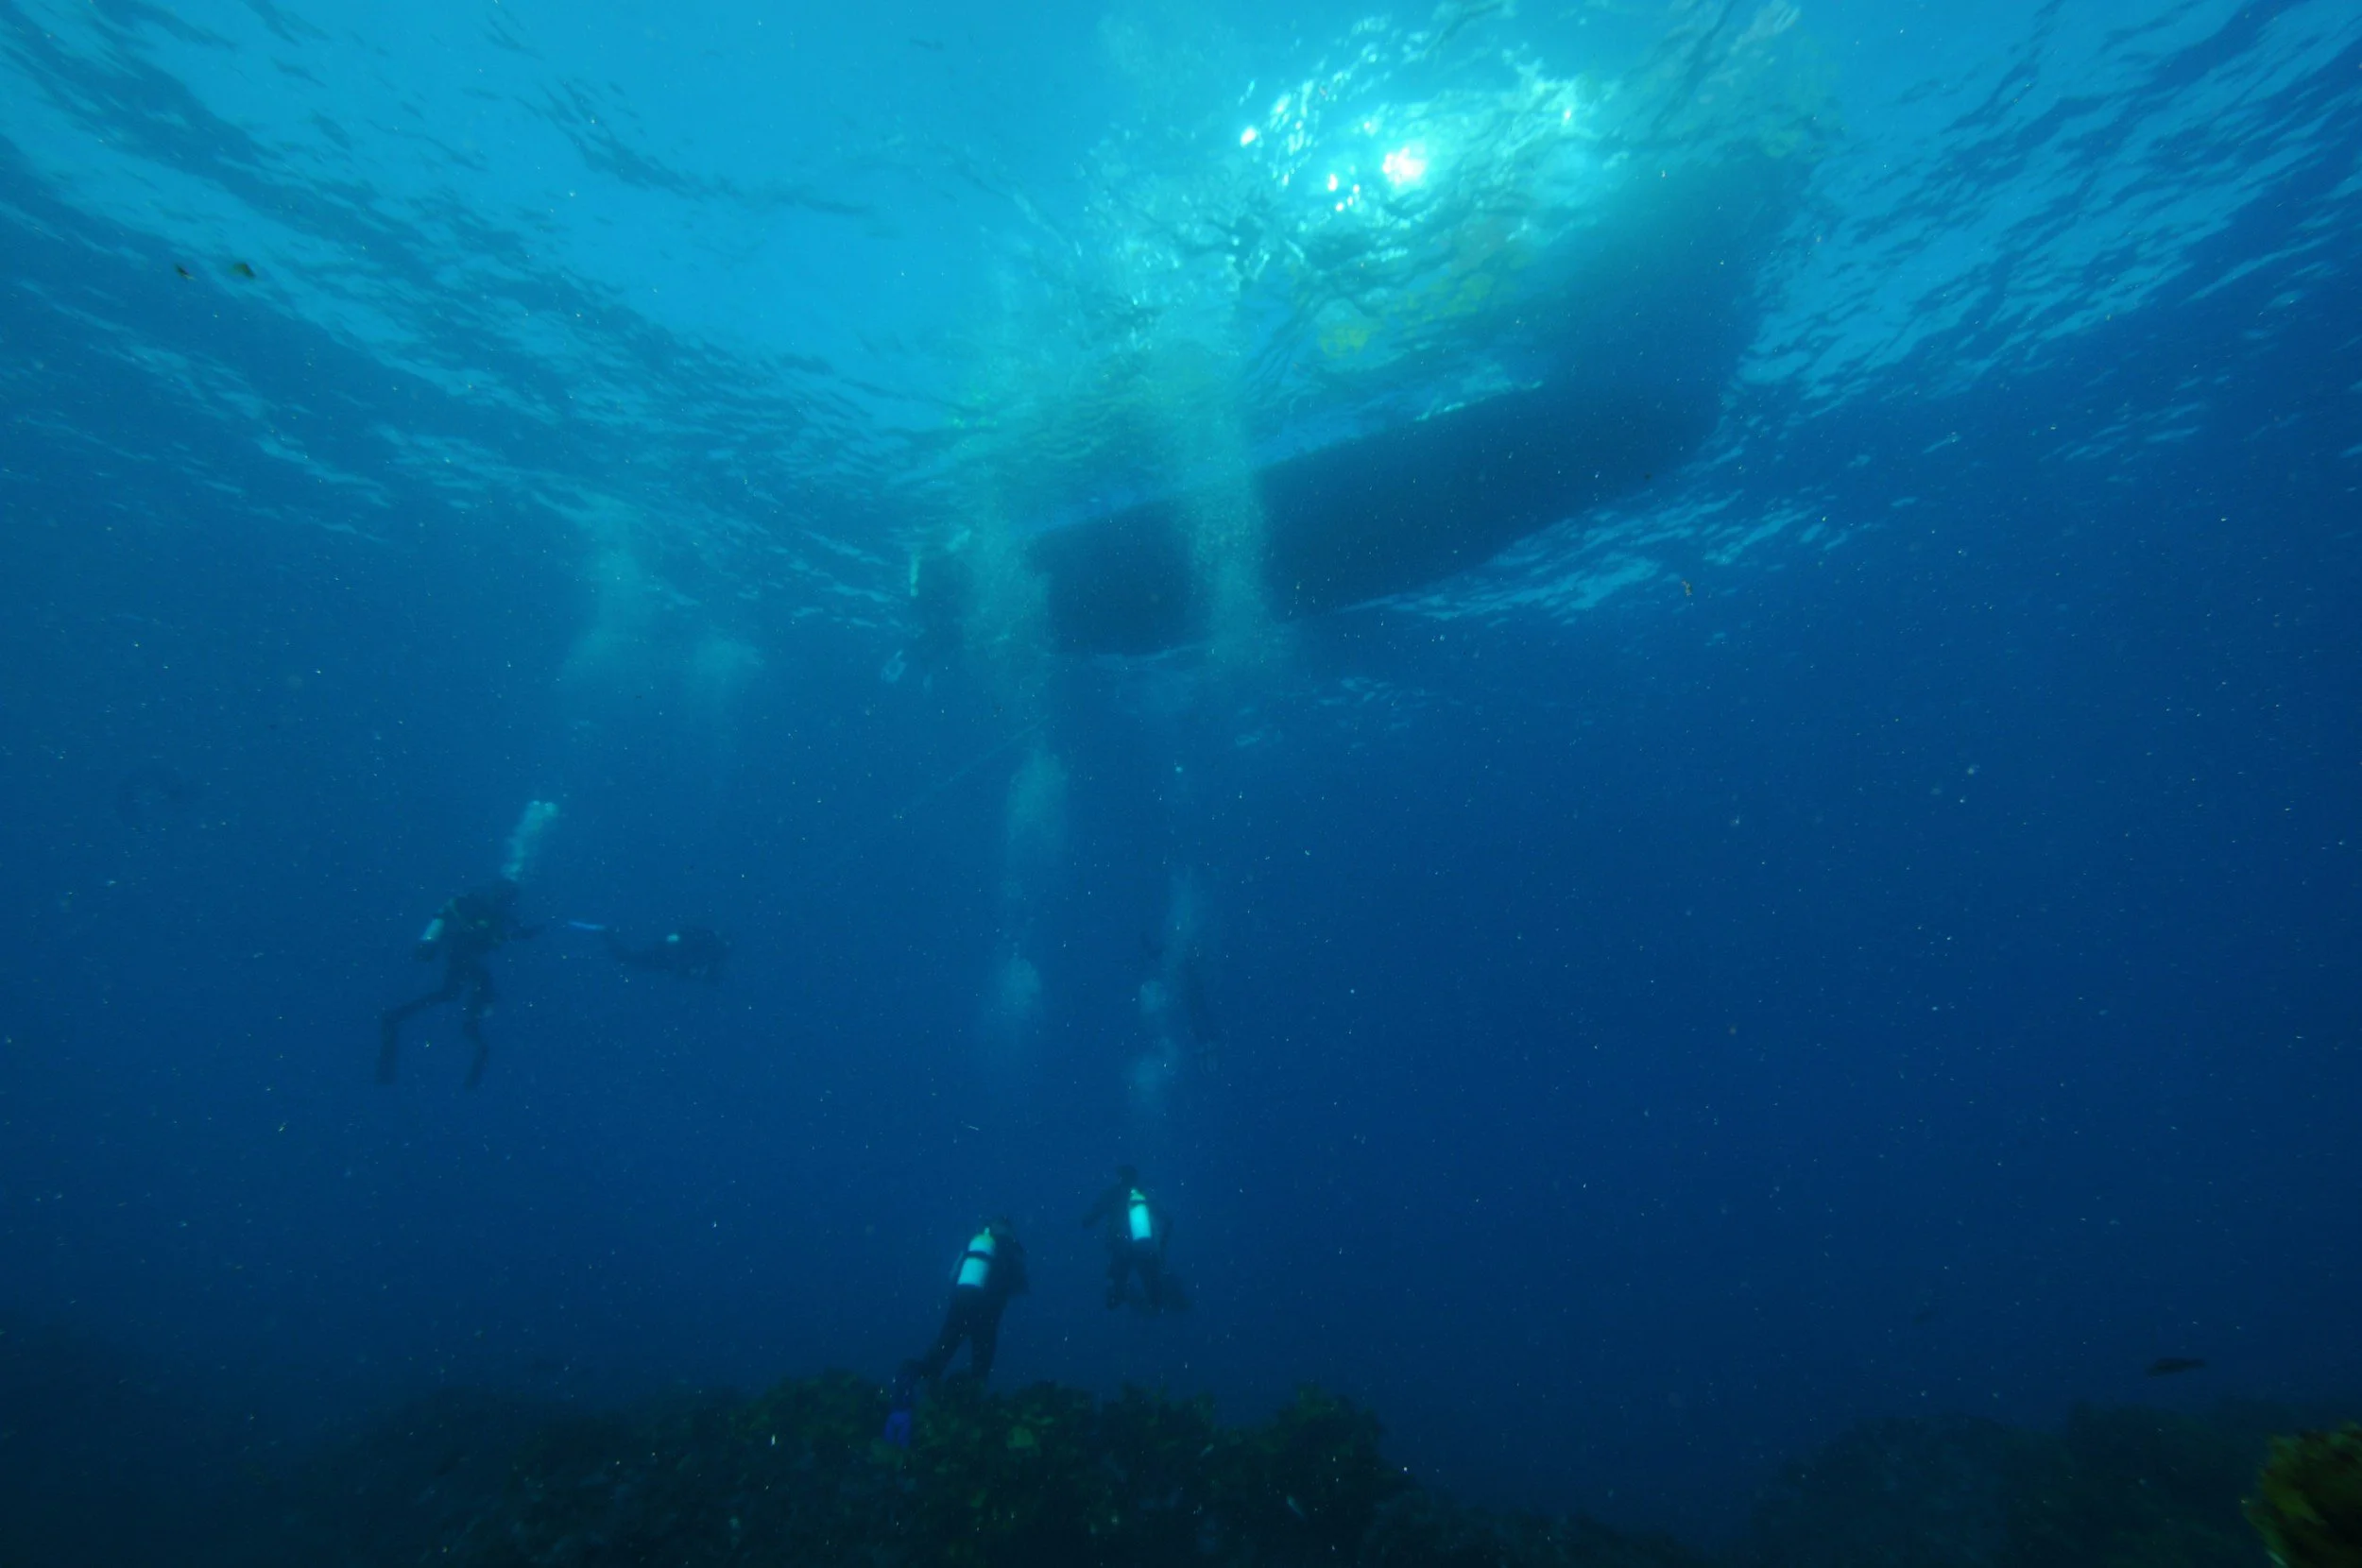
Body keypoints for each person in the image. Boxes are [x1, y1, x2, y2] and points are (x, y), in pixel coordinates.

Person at [379, 879, 539, 1089]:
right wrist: (430, 942)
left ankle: (469, 1029)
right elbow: (453, 920)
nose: (507, 902)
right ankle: (470, 1029)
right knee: (464, 989)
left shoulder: (494, 912)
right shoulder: (475, 906)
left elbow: (499, 936)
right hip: (460, 954)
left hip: (463, 955)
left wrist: (522, 934)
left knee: (455, 992)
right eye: (506, 898)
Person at [903, 1218, 1028, 1389]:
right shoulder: (1008, 1246)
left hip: (961, 1302)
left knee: (944, 1347)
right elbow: (1018, 1285)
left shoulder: (976, 1243)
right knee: (982, 1357)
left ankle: (914, 1379)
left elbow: (953, 1275)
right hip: (988, 1310)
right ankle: (974, 1398)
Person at [1082, 1166, 1176, 1312]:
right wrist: (1161, 1247)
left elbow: (1091, 1218)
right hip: (1145, 1248)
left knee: (1114, 1297)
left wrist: (1087, 1221)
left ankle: (1126, 1298)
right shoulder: (1144, 1195)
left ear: (1120, 1177)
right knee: (1154, 1293)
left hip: (1122, 1248)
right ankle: (1156, 1303)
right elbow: (1167, 1221)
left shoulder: (1113, 1193)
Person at [602, 923, 729, 982]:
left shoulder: (710, 944)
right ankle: (607, 934)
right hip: (667, 956)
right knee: (629, 958)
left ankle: (608, 935)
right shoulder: (709, 941)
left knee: (631, 958)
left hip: (667, 958)